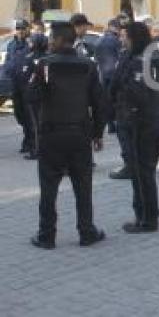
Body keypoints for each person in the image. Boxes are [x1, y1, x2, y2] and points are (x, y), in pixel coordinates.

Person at [27, 21, 107, 249]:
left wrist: (38, 126)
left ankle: (46, 235)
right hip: (80, 134)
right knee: (83, 186)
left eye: (52, 38)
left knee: (48, 187)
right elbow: (100, 103)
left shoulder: (43, 65)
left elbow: (31, 97)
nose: (49, 42)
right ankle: (86, 232)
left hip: (51, 135)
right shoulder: (88, 65)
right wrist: (98, 133)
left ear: (61, 40)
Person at [110, 22, 159, 233]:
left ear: (134, 38)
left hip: (142, 123)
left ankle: (147, 219)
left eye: (125, 36)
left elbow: (135, 93)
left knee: (141, 172)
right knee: (146, 171)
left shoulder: (138, 61)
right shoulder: (158, 57)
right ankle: (145, 215)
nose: (121, 40)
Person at [12, 32, 49, 160]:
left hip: (33, 95)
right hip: (46, 95)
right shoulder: (48, 57)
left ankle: (37, 150)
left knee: (35, 124)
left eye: (31, 41)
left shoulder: (30, 58)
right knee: (42, 123)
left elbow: (24, 76)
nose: (29, 43)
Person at [6, 19, 32, 155]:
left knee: (28, 116)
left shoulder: (31, 44)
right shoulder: (11, 45)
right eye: (18, 28)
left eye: (23, 28)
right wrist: (6, 71)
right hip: (15, 84)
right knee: (19, 114)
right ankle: (27, 138)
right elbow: (8, 62)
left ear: (28, 29)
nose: (20, 31)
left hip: (27, 85)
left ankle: (29, 142)